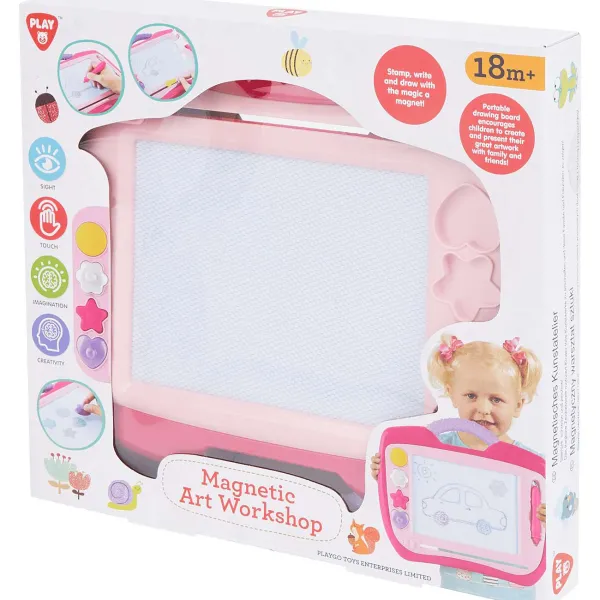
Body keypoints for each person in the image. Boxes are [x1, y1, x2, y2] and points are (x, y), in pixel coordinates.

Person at [372, 335, 546, 599]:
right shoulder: (434, 449)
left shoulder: (529, 464)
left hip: (512, 585)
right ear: (452, 394)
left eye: (496, 399)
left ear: (518, 405)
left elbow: (556, 515)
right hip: (455, 578)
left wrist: (548, 514)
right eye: (471, 396)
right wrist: (385, 473)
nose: (483, 408)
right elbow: (414, 489)